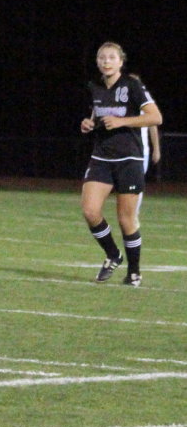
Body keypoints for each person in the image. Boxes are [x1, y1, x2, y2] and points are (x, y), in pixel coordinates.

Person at [80, 42, 162, 287]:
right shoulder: (95, 87)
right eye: (102, 58)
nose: (106, 61)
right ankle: (113, 254)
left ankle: (134, 272)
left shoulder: (132, 85)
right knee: (90, 211)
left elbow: (156, 117)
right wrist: (88, 124)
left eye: (111, 57)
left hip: (129, 159)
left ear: (120, 61)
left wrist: (122, 121)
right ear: (97, 62)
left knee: (126, 219)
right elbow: (97, 117)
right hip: (102, 157)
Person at [129, 74, 161, 223]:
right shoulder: (120, 100)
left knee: (137, 182)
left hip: (141, 150)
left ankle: (134, 214)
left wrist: (156, 149)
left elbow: (153, 126)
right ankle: (129, 213)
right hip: (123, 149)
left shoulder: (145, 101)